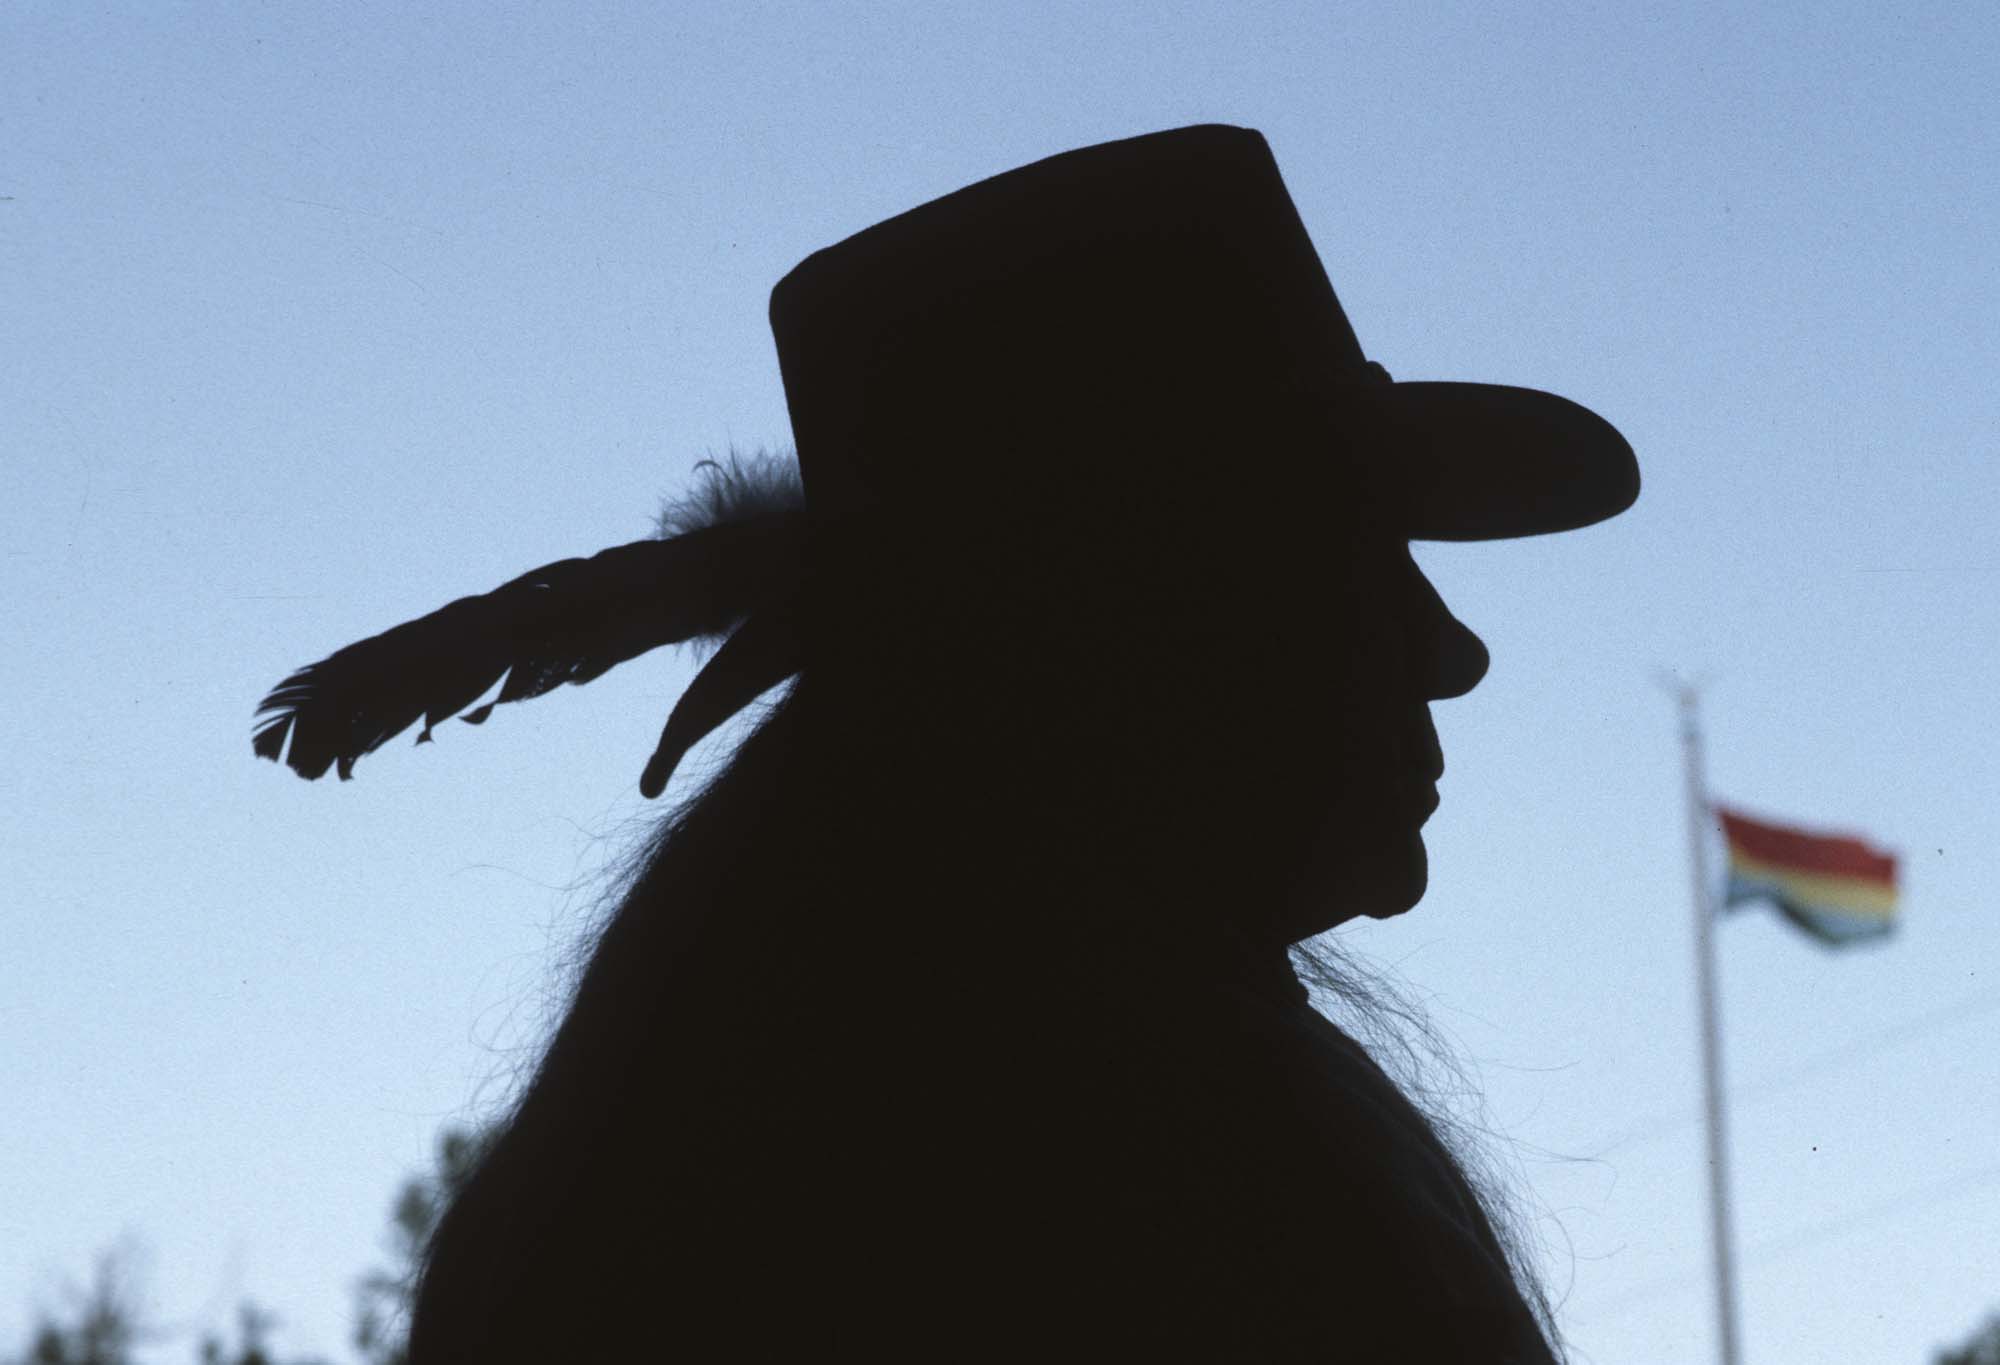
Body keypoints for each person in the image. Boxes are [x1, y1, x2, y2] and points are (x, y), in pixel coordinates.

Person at [255, 125, 1637, 1360]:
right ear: (1132, 630)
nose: (1449, 649)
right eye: (1343, 561)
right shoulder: (1176, 1173)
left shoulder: (759, 1134)